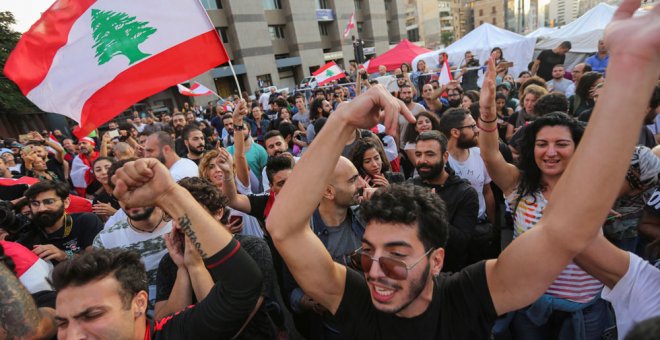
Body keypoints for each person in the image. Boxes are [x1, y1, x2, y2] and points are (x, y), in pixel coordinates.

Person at [266, 2, 660, 337]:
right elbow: (284, 228)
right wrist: (342, 119)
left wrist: (631, 68)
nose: (375, 271)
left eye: (396, 255)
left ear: (437, 261)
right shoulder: (356, 300)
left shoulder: (465, 296)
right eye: (368, 253)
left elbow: (564, 232)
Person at [52, 156, 264, 339]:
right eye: (62, 323)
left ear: (139, 304)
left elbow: (240, 290)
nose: (73, 336)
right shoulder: (113, 239)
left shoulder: (172, 334)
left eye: (92, 315)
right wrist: (184, 268)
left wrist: (168, 194)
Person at [154, 176, 277, 338]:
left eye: (191, 215)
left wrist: (196, 266)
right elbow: (164, 326)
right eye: (175, 216)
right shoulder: (171, 260)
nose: (180, 224)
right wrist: (183, 269)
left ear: (218, 212)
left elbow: (226, 329)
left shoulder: (251, 249)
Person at [409, 130, 479, 272]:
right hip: (413, 268)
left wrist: (433, 212)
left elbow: (461, 242)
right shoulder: (410, 185)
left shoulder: (465, 193)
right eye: (418, 154)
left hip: (448, 274)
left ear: (445, 156)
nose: (422, 160)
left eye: (430, 154)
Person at [16, 181, 103, 265]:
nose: (41, 208)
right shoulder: (28, 231)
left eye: (49, 202)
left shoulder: (86, 221)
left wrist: (65, 255)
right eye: (35, 204)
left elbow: (95, 260)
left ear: (66, 202)